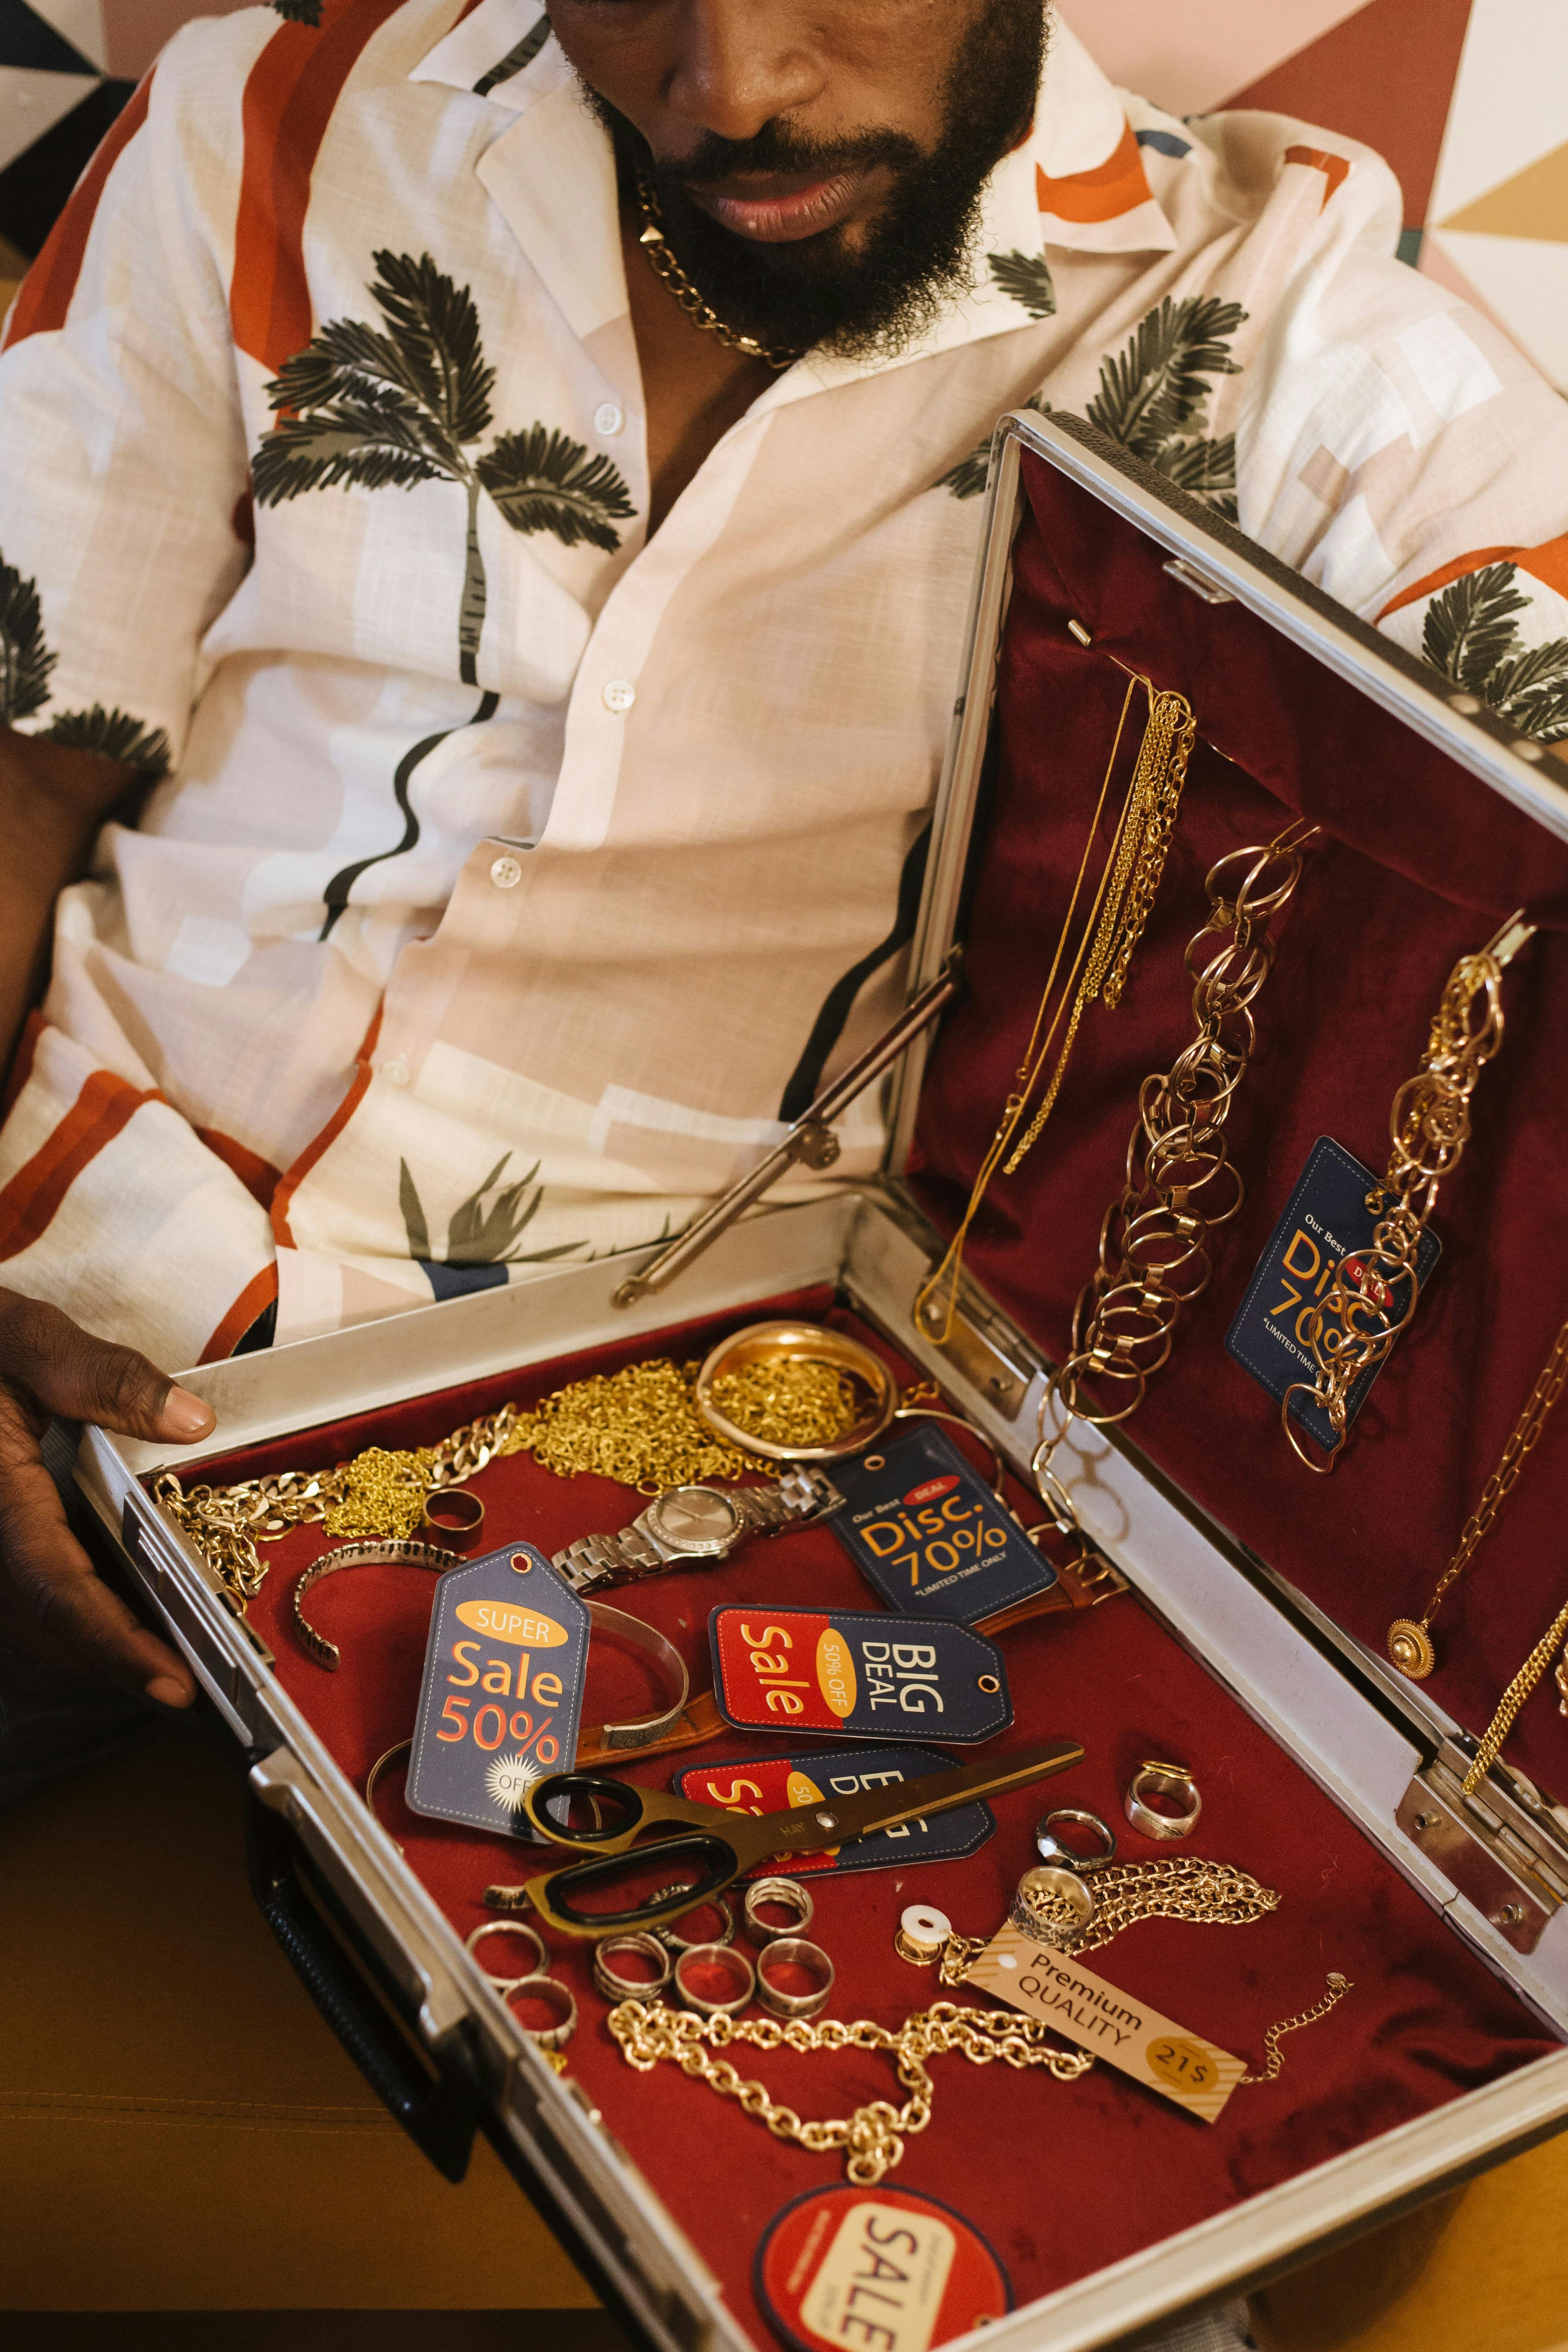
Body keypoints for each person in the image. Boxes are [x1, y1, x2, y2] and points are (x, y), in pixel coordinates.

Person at [0, 0, 1566, 1761]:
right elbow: (22, 757)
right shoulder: (269, 130)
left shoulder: (1270, 332)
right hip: (48, 1270)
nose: (730, 88)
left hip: (639, 1483)